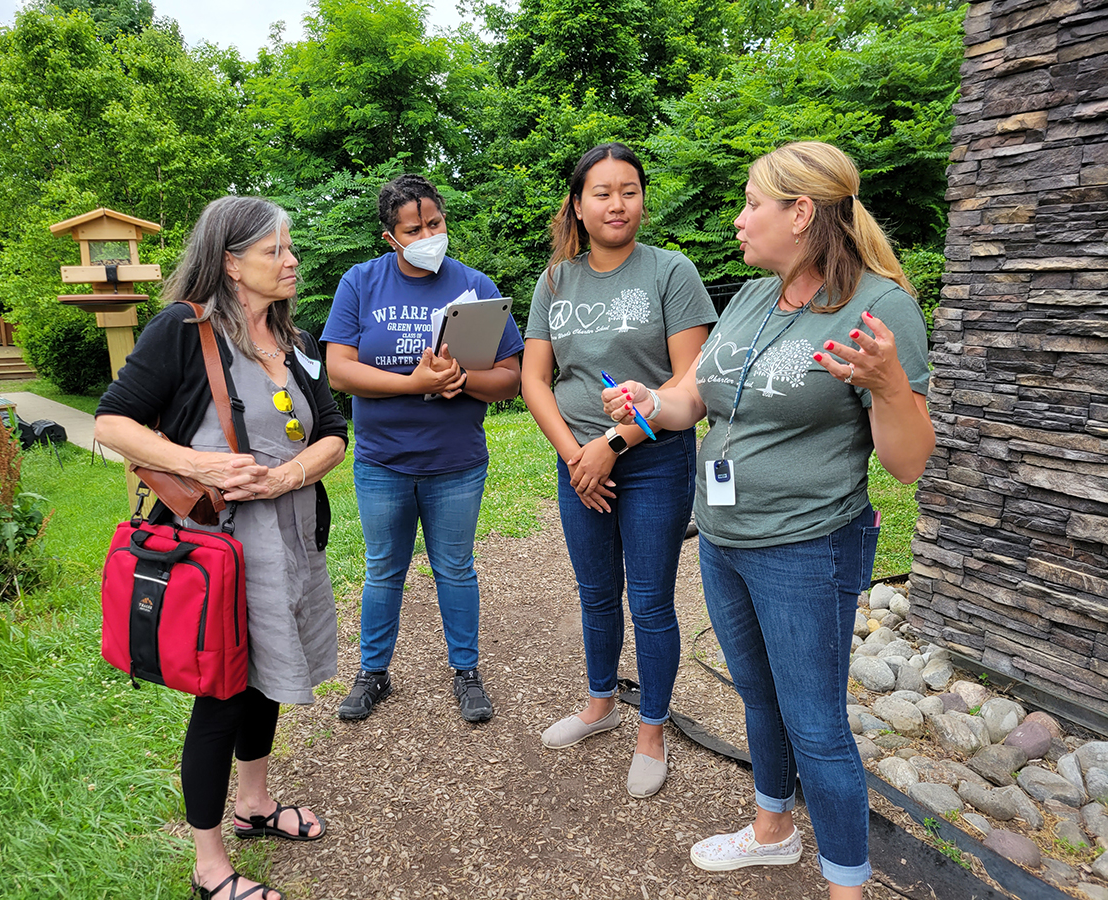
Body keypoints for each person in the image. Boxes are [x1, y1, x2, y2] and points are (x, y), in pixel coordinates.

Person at [602, 141, 935, 897]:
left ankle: (846, 885)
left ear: (802, 212)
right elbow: (697, 397)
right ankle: (772, 831)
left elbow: (909, 462)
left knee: (815, 727)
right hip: (724, 537)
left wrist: (888, 388)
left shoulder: (879, 308)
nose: (740, 218)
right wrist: (652, 405)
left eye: (754, 203)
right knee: (757, 696)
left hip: (807, 547)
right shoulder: (755, 297)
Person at [95, 196, 348, 900]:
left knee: (267, 678)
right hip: (221, 556)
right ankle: (210, 867)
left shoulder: (293, 342)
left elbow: (333, 431)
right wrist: (204, 467)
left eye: (290, 247)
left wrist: (294, 472)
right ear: (232, 262)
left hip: (292, 543)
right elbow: (112, 425)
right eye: (277, 250)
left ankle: (256, 805)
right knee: (224, 694)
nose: (292, 260)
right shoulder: (184, 329)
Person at [520, 142, 716, 798]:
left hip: (654, 461)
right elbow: (534, 379)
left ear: (642, 199)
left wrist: (615, 443)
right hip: (580, 466)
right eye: (601, 192)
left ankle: (652, 729)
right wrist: (579, 455)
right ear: (577, 203)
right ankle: (600, 704)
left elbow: (690, 385)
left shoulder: (671, 273)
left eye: (628, 190)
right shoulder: (555, 281)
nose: (616, 203)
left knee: (653, 599)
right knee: (596, 592)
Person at [321, 173, 523, 724]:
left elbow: (511, 376)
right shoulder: (361, 283)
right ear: (391, 237)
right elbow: (340, 370)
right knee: (384, 567)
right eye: (414, 229)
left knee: (455, 568)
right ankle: (373, 673)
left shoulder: (476, 286)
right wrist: (417, 383)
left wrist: (463, 380)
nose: (429, 234)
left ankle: (466, 671)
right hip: (383, 460)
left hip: (455, 461)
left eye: (435, 223)